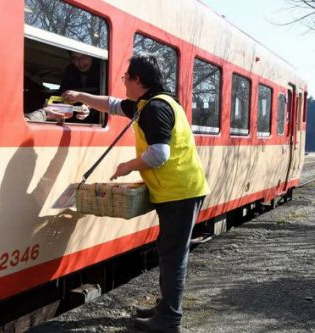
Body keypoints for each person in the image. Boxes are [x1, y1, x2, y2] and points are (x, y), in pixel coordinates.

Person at [62, 54, 210, 333]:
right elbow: (112, 105)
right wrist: (82, 95)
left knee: (173, 256)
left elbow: (159, 154)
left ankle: (169, 320)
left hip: (180, 193)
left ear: (137, 80)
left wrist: (127, 166)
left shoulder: (155, 109)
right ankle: (166, 307)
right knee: (169, 252)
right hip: (176, 191)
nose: (123, 83)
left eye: (125, 77)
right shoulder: (150, 103)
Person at [24, 51, 100, 122]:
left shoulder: (103, 69)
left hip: (96, 120)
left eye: (84, 56)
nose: (80, 62)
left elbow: (106, 97)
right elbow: (63, 93)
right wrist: (52, 104)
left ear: (92, 55)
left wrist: (90, 106)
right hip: (71, 118)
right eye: (75, 58)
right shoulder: (70, 70)